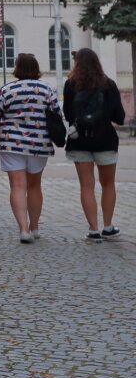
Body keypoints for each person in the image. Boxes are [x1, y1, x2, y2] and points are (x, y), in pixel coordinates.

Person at [0, 53, 59, 244]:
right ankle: (35, 227)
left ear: (16, 68)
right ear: (36, 68)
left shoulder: (7, 89)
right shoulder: (46, 90)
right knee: (34, 186)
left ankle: (23, 230)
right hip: (39, 143)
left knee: (17, 185)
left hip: (11, 143)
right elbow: (56, 113)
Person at [62, 47, 125, 241]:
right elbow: (119, 117)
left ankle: (93, 229)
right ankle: (108, 226)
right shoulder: (109, 84)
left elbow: (68, 114)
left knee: (86, 186)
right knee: (108, 184)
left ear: (78, 63)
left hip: (79, 140)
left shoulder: (70, 84)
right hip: (105, 139)